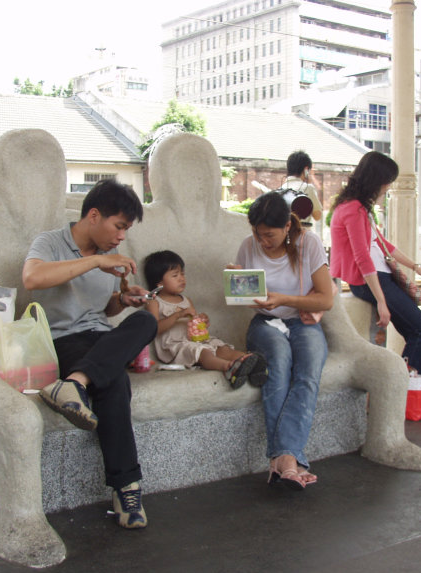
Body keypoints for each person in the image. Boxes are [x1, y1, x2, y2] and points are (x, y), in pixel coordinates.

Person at [22, 179, 157, 529]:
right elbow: (32, 279)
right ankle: (127, 487)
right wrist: (96, 261)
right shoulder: (50, 242)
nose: (122, 236)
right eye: (119, 226)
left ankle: (74, 384)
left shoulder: (108, 257)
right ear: (94, 216)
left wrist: (123, 300)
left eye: (126, 229)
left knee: (144, 320)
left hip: (101, 339)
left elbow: (106, 310)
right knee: (115, 385)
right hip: (62, 340)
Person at [234, 192, 334, 490]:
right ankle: (289, 460)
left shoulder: (309, 243)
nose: (262, 241)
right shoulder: (247, 247)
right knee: (278, 362)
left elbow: (326, 298)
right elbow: (243, 296)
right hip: (264, 323)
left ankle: (282, 460)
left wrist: (285, 300)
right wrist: (237, 282)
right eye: (256, 233)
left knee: (309, 369)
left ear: (287, 227)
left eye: (269, 235)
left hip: (302, 320)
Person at [329, 151, 421, 377]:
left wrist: (417, 268)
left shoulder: (357, 207)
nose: (389, 186)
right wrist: (381, 300)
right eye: (388, 181)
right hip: (372, 281)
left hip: (376, 278)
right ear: (377, 180)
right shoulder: (354, 210)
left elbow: (383, 245)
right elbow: (362, 257)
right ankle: (402, 386)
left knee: (417, 332)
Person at [142, 250, 268, 388]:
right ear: (159, 282)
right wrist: (177, 315)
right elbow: (153, 329)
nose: (181, 278)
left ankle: (249, 361)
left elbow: (193, 325)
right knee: (204, 352)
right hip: (175, 347)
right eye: (175, 275)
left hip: (196, 341)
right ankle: (229, 368)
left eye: (182, 274)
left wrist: (202, 322)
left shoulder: (186, 300)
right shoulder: (154, 302)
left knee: (221, 347)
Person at [284, 150, 323, 227]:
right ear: (306, 169)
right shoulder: (308, 188)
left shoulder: (281, 188)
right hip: (301, 236)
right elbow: (317, 216)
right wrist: (310, 183)